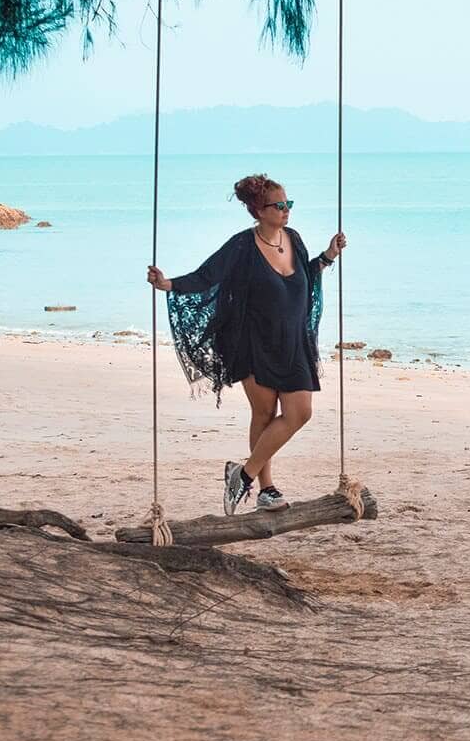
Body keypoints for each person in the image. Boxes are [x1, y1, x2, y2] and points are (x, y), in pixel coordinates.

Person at [147, 174, 346, 515]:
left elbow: (308, 276)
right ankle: (266, 490)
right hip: (254, 344)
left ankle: (243, 474)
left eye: (289, 204)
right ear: (258, 210)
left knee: (300, 414)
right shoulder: (242, 245)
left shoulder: (293, 239)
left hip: (294, 342)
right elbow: (207, 275)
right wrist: (167, 284)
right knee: (265, 414)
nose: (286, 211)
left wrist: (328, 256)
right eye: (279, 205)